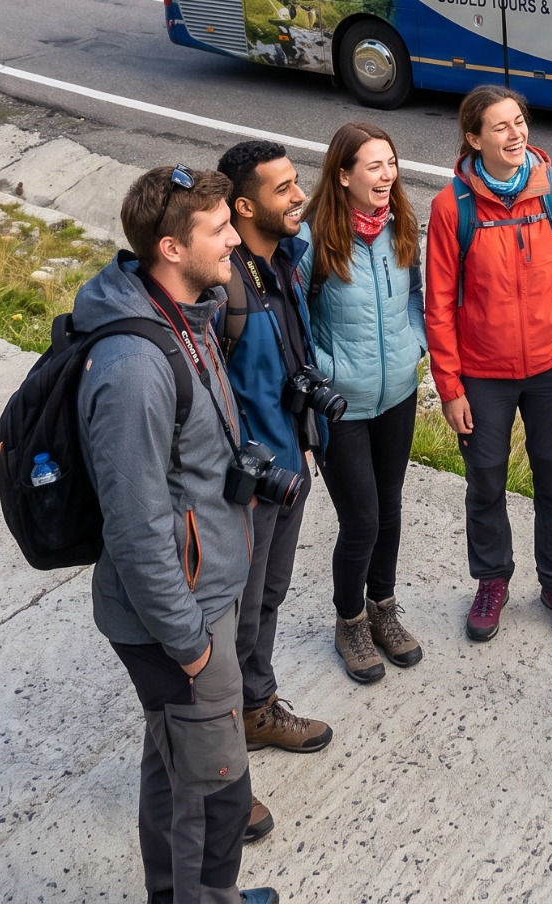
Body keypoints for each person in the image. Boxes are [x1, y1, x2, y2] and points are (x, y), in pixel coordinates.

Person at [74, 164, 279, 904]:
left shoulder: (183, 313)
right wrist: (190, 643)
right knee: (213, 791)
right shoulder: (133, 367)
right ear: (169, 247)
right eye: (219, 230)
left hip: (199, 598)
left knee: (175, 766)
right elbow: (135, 529)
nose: (235, 239)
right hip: (177, 620)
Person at [426, 87, 552, 643]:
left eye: (519, 121)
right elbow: (439, 302)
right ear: (474, 139)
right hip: (483, 376)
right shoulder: (452, 207)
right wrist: (450, 386)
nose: (515, 133)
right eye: (500, 127)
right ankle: (492, 580)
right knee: (485, 484)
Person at [215, 140, 332, 817]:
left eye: (298, 183)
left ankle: (257, 709)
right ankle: (221, 769)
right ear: (242, 205)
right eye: (284, 188)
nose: (298, 197)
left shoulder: (284, 259)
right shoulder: (219, 284)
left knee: (269, 601)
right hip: (242, 488)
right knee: (231, 622)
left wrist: (305, 445)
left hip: (291, 464)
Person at [304, 123, 427, 686]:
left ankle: (383, 607)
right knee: (362, 520)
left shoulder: (402, 224)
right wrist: (325, 373)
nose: (387, 175)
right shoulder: (311, 240)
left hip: (398, 393)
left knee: (392, 509)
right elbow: (293, 322)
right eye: (373, 166)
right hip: (342, 406)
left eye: (391, 163)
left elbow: (416, 299)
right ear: (344, 174)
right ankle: (350, 619)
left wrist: (415, 347)